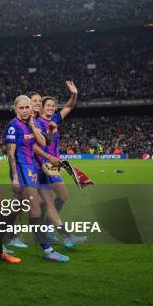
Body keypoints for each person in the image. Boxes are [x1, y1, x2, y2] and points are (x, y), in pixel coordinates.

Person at [5, 95, 69, 262]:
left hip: (31, 169)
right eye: (22, 108)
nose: (25, 111)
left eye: (28, 108)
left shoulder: (29, 125)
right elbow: (11, 154)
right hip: (21, 171)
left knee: (19, 206)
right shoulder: (13, 126)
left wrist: (34, 126)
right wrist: (15, 177)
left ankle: (1, 239)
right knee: (36, 208)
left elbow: (44, 143)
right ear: (16, 109)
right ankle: (48, 250)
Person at [35, 81, 86, 247]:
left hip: (55, 165)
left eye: (53, 106)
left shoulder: (55, 119)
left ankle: (46, 228)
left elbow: (69, 107)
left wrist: (74, 94)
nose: (51, 108)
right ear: (42, 107)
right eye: (48, 105)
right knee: (48, 201)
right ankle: (63, 235)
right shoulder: (36, 123)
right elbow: (34, 145)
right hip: (43, 166)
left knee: (63, 196)